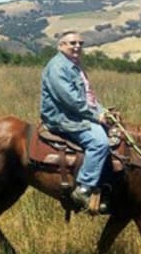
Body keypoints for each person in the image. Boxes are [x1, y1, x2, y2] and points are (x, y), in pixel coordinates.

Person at [40, 32, 113, 211]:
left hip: (77, 114)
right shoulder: (58, 67)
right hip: (64, 118)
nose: (77, 46)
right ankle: (83, 189)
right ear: (60, 46)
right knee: (99, 143)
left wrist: (104, 112)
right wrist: (97, 116)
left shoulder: (74, 65)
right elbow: (71, 100)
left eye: (80, 43)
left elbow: (89, 97)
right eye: (72, 43)